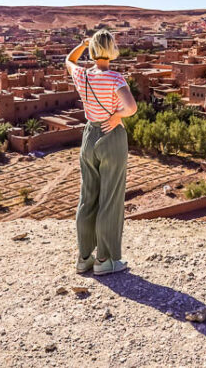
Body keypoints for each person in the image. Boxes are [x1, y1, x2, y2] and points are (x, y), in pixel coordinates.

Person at [65, 29, 138, 275]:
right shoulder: (115, 78)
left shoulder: (82, 75)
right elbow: (131, 107)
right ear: (112, 49)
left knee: (88, 198)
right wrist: (117, 116)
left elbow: (69, 60)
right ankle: (105, 260)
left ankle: (84, 257)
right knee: (110, 199)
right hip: (111, 136)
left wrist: (83, 44)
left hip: (89, 135)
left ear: (95, 49)